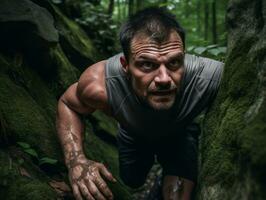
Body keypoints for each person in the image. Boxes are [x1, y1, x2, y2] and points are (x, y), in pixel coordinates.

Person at [56, 7, 223, 200]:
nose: (163, 79)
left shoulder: (208, 76)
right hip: (133, 134)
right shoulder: (100, 85)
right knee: (132, 180)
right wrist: (76, 161)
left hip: (179, 134)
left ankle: (165, 177)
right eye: (147, 65)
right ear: (125, 66)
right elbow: (68, 105)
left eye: (174, 63)